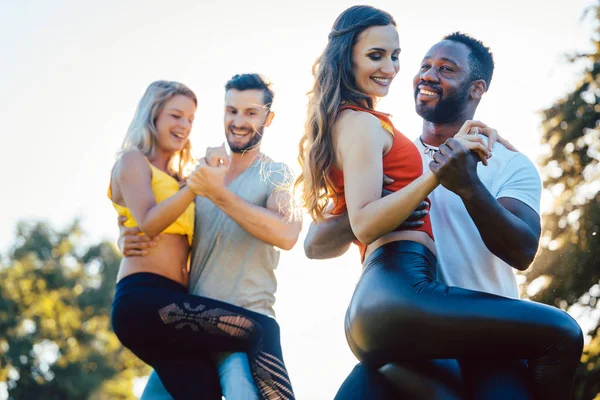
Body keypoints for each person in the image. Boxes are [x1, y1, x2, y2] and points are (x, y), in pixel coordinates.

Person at [295, 6, 583, 400]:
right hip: (412, 335)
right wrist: (392, 199)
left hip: (490, 343)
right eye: (425, 64)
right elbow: (314, 244)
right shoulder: (393, 153)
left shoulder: (508, 163)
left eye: (446, 69)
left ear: (477, 88)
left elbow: (522, 250)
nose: (427, 74)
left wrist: (467, 184)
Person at [116, 75, 301, 400]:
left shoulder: (279, 174)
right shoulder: (195, 177)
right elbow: (154, 220)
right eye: (232, 111)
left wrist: (217, 193)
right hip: (190, 325)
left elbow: (287, 234)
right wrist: (124, 237)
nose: (239, 121)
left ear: (268, 119)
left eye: (251, 112)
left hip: (243, 326)